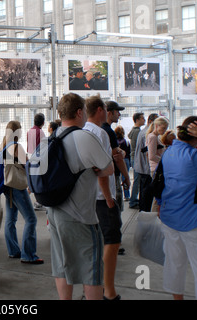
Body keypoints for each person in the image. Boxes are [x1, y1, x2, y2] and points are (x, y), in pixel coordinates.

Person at [47, 93, 114, 300]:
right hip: (80, 214)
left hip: (54, 210)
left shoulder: (52, 136)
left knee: (61, 264)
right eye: (84, 111)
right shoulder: (84, 137)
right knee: (91, 269)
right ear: (78, 112)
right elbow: (108, 168)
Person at [158, 116, 197, 300]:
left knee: (175, 263)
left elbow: (160, 182)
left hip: (169, 219)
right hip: (194, 222)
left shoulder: (169, 152)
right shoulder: (195, 157)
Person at [84, 95, 122, 300]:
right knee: (112, 242)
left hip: (86, 198)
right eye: (106, 109)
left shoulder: (80, 131)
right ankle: (108, 291)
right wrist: (109, 198)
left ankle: (91, 289)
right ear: (100, 110)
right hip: (100, 197)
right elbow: (101, 169)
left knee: (93, 244)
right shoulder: (100, 133)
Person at [0, 120, 43, 264]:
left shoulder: (2, 146)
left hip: (7, 186)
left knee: (11, 219)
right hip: (17, 186)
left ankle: (13, 251)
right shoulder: (17, 147)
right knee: (31, 219)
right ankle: (28, 255)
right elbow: (28, 166)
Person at [103, 101, 131, 212]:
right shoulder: (109, 131)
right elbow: (117, 157)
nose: (119, 114)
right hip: (112, 175)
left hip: (104, 176)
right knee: (115, 208)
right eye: (117, 111)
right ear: (109, 112)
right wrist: (127, 177)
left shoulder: (99, 129)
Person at [134, 114, 159, 211]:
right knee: (146, 193)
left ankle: (143, 211)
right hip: (146, 167)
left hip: (143, 166)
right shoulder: (148, 134)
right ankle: (144, 212)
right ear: (152, 122)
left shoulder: (145, 132)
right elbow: (148, 152)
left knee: (144, 191)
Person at [27, 112, 46, 210]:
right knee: (38, 181)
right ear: (43, 122)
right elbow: (43, 147)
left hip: (30, 158)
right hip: (38, 159)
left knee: (32, 180)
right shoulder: (41, 132)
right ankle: (38, 202)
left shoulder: (29, 131)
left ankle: (31, 199)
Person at [128, 113, 145, 209]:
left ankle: (134, 199)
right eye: (142, 118)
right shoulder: (137, 132)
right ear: (137, 120)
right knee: (137, 180)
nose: (144, 120)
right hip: (136, 157)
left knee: (137, 179)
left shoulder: (135, 131)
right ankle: (133, 201)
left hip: (134, 157)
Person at [115, 125, 131, 201]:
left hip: (117, 160)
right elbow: (129, 152)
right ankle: (127, 195)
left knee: (117, 177)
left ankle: (118, 194)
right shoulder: (126, 142)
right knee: (125, 177)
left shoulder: (115, 143)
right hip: (126, 160)